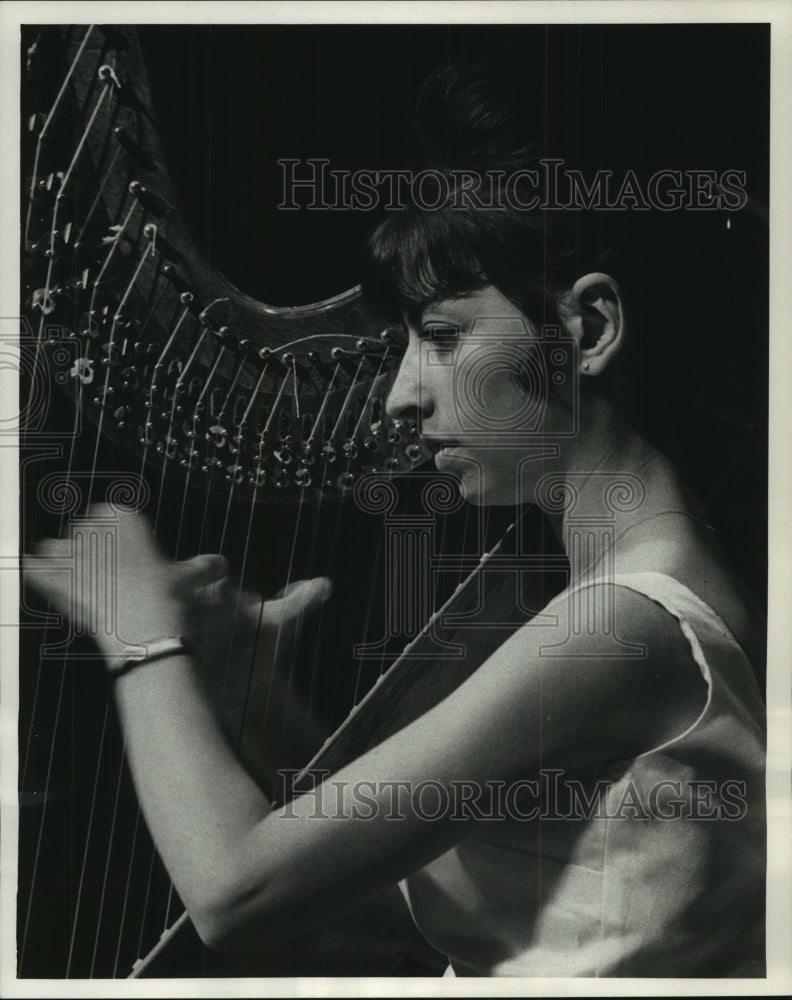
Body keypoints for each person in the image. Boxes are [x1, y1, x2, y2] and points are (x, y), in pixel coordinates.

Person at [25, 56, 766, 978]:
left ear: (587, 329)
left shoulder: (625, 626)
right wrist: (258, 702)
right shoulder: (630, 603)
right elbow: (413, 913)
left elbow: (234, 893)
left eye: (442, 336)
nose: (397, 397)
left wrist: (136, 629)